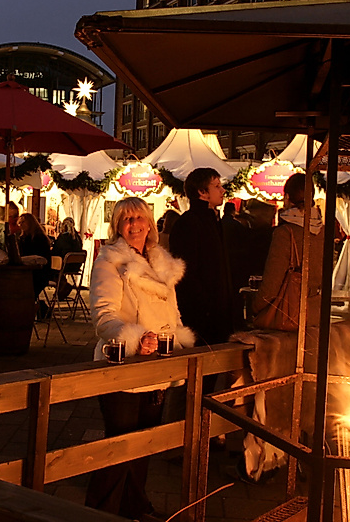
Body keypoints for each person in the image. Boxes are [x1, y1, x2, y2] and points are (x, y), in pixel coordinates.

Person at [86, 197, 194, 520]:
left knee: (145, 444)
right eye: (126, 220)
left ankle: (135, 508)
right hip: (123, 364)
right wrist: (135, 338)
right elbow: (103, 316)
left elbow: (173, 313)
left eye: (139, 218)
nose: (134, 225)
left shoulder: (162, 263)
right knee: (119, 446)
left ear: (150, 223)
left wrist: (173, 339)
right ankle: (98, 511)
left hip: (158, 365)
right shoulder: (110, 261)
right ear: (118, 226)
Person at [169, 167, 239, 346]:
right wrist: (206, 306)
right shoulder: (188, 224)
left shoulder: (214, 221)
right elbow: (186, 273)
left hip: (218, 314)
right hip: (202, 317)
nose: (222, 190)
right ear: (202, 192)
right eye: (216, 186)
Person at [251, 173, 324, 330]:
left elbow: (273, 280)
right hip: (314, 311)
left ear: (288, 197)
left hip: (288, 312)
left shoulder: (286, 232)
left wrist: (256, 306)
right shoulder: (321, 230)